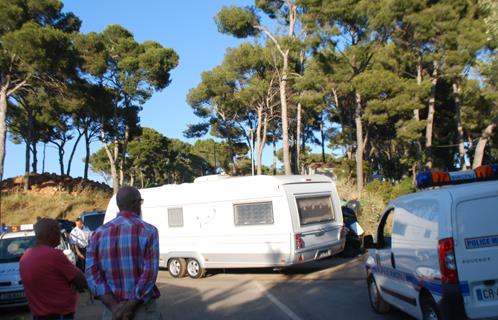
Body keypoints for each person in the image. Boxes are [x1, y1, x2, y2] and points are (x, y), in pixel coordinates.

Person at [86, 186, 161, 320]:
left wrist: (115, 308)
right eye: (140, 202)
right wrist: (130, 306)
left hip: (113, 312)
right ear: (136, 203)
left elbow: (91, 274)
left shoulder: (98, 234)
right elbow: (149, 274)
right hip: (142, 311)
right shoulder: (149, 231)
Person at [20, 218, 87, 320]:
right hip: (59, 315)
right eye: (57, 231)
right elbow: (82, 281)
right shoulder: (54, 255)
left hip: (38, 315)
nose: (59, 235)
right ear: (50, 233)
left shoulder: (25, 257)